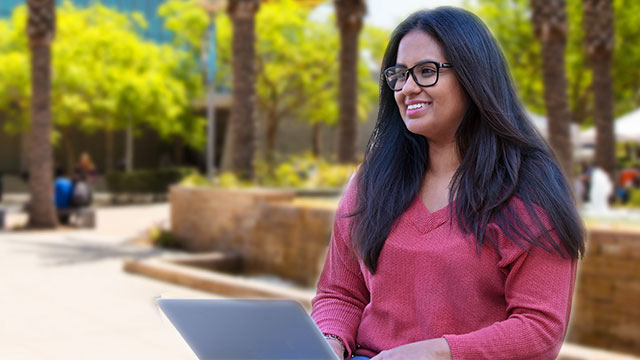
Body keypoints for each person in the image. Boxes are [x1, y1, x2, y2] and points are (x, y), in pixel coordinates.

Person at [311, 7, 584, 360]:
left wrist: (438, 353)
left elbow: (539, 329)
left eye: (426, 72)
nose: (407, 89)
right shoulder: (372, 181)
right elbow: (340, 293)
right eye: (399, 74)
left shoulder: (528, 188)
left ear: (474, 76)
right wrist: (328, 343)